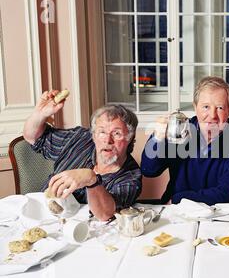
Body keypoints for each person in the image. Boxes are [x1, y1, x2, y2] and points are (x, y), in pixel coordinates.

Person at [23, 90, 142, 220]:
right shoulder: (79, 138)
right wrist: (40, 114)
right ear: (93, 135)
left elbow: (105, 214)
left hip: (82, 232)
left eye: (117, 134)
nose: (108, 140)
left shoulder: (131, 177)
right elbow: (33, 138)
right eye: (102, 132)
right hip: (38, 215)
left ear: (129, 138)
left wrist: (91, 180)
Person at [141, 76, 229, 205]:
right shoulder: (179, 131)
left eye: (220, 107)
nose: (213, 115)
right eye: (206, 107)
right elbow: (149, 171)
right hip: (176, 212)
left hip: (215, 214)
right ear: (195, 107)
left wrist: (179, 198)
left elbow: (227, 194)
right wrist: (157, 138)